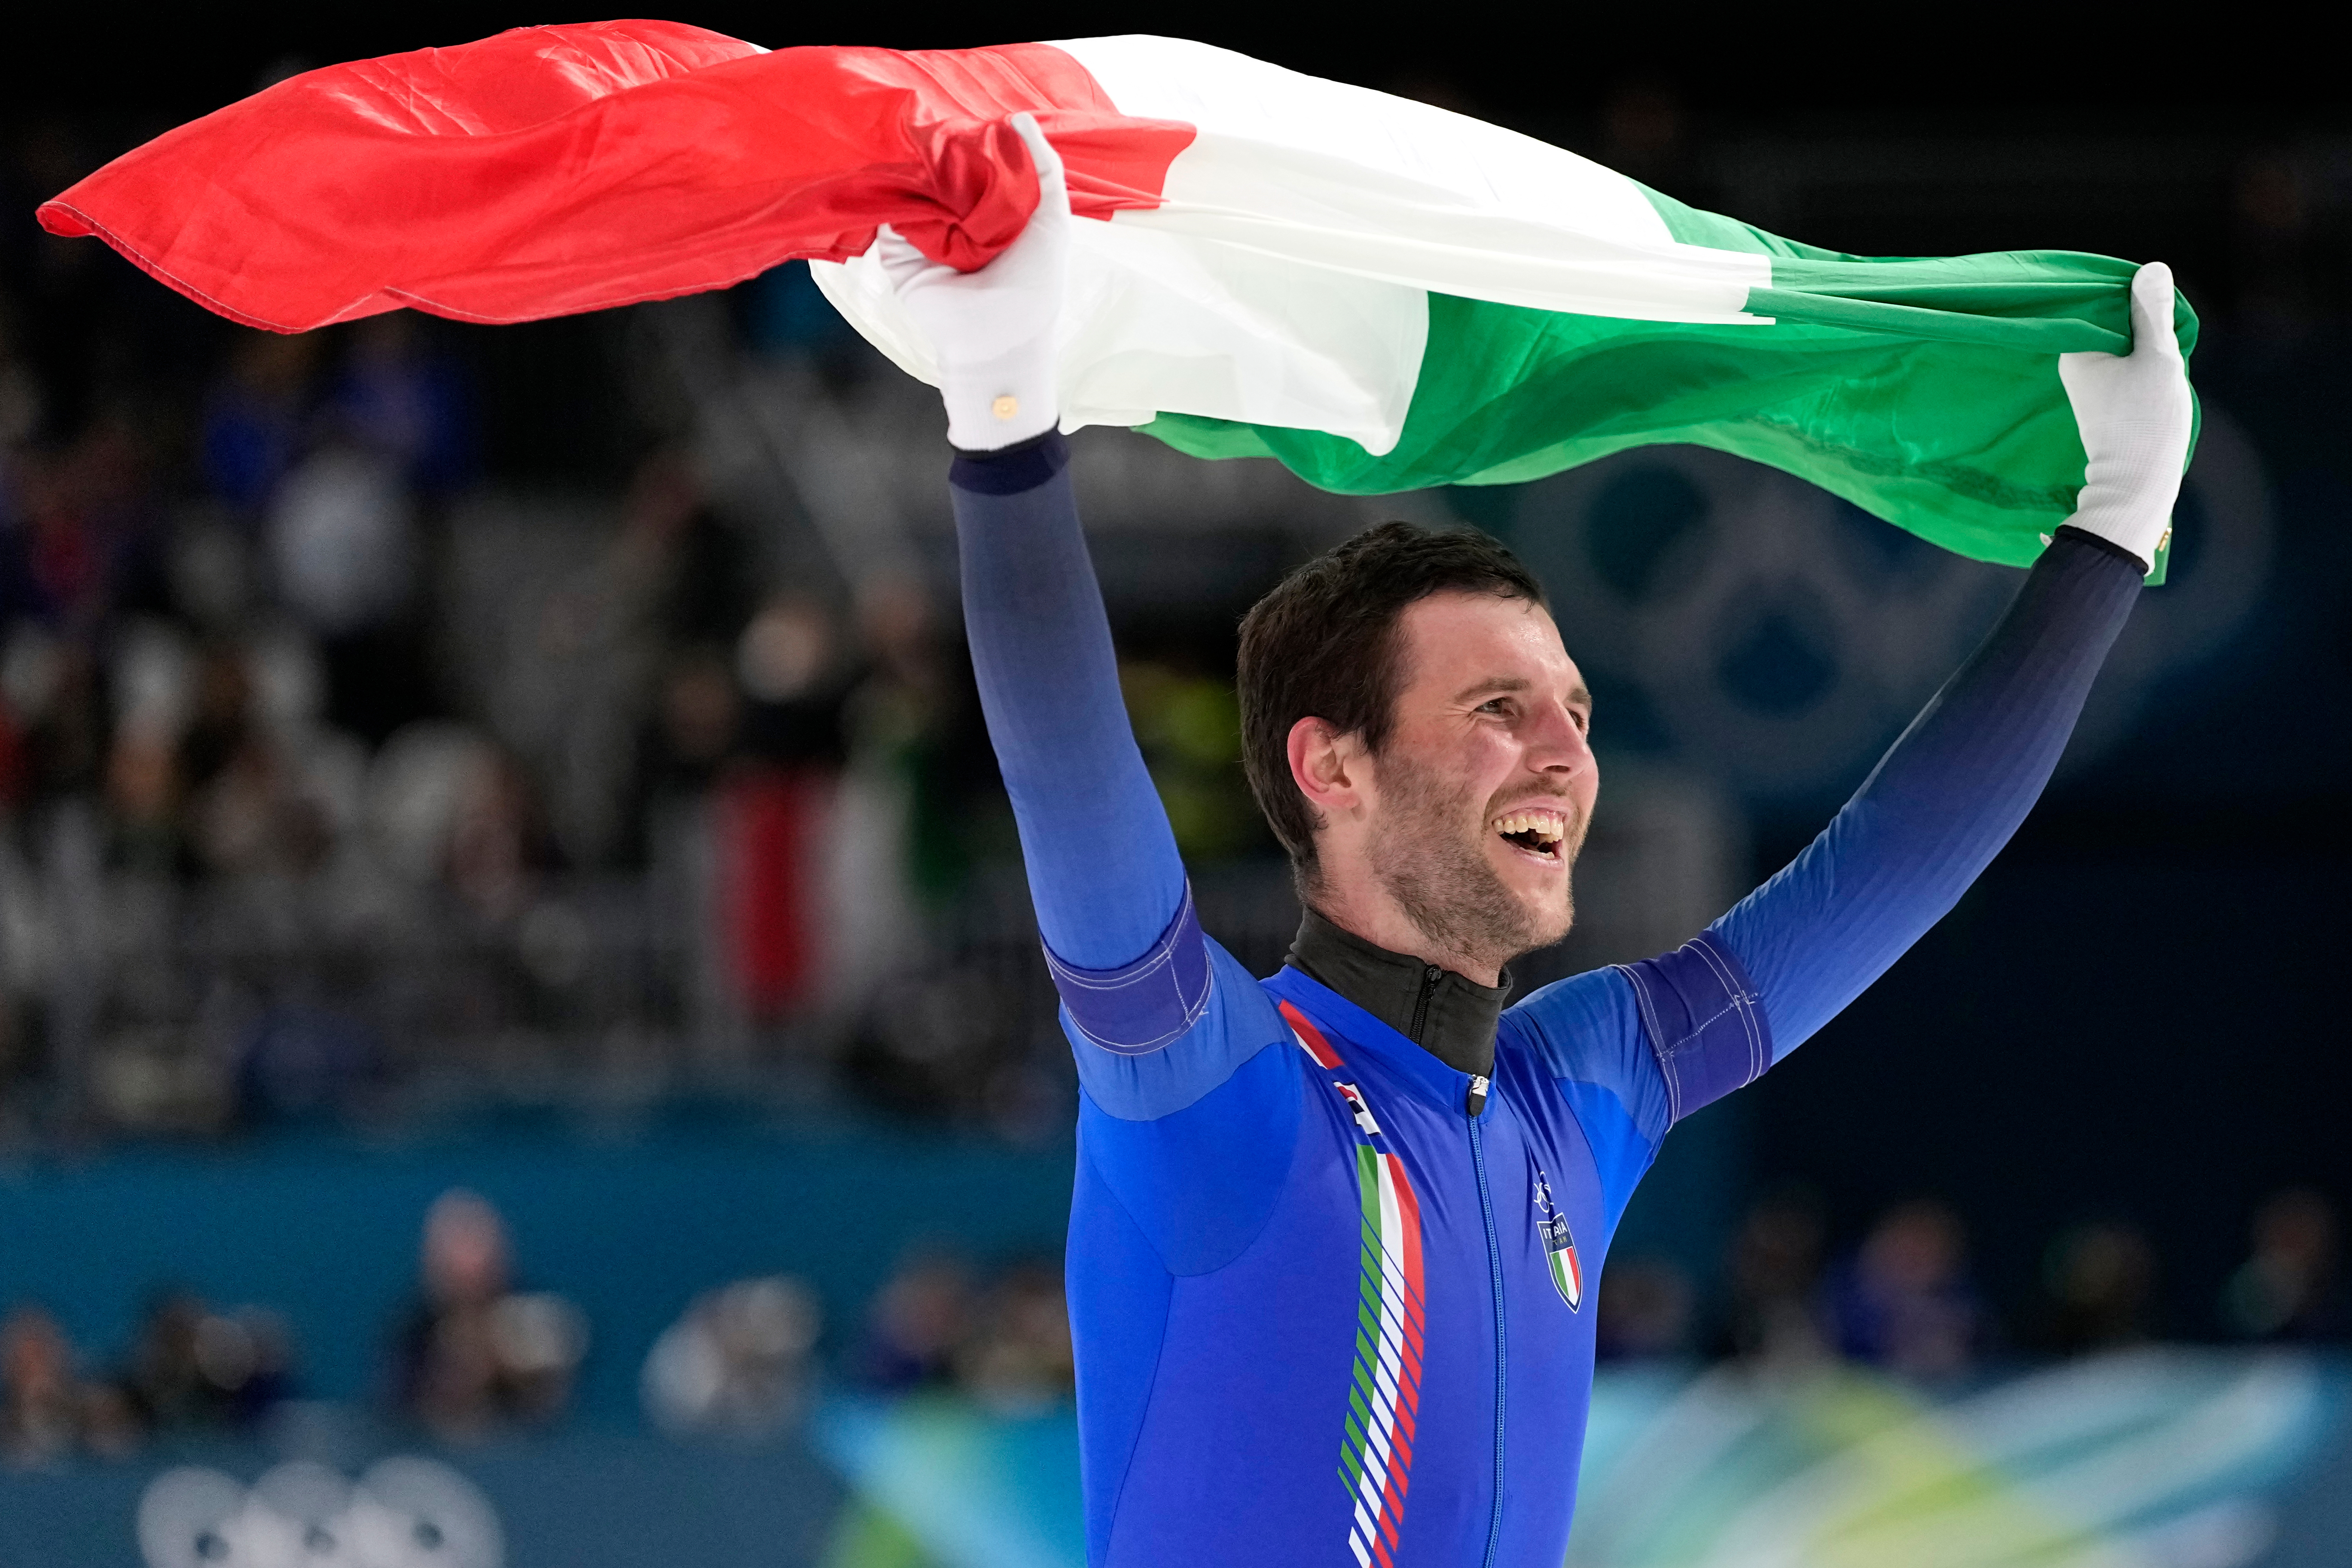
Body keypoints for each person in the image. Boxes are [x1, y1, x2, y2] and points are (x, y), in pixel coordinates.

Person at [885, 115, 2190, 1568]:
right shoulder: (1217, 1097)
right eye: (1497, 710)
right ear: (1332, 766)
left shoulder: (1572, 1096)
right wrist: (1002, 421)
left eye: (1573, 709)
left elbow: (1888, 867)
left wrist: (2106, 537)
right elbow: (1073, 784)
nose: (1566, 756)